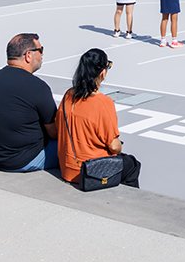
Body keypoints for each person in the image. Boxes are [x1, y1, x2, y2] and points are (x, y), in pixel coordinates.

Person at [57, 49, 140, 188]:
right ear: (102, 72)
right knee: (132, 164)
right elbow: (114, 147)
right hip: (91, 171)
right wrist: (119, 144)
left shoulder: (68, 95)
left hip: (67, 168)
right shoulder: (103, 103)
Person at [0, 33, 59, 172]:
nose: (42, 55)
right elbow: (55, 133)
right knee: (75, 145)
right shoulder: (38, 87)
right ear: (28, 55)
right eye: (40, 50)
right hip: (20, 160)